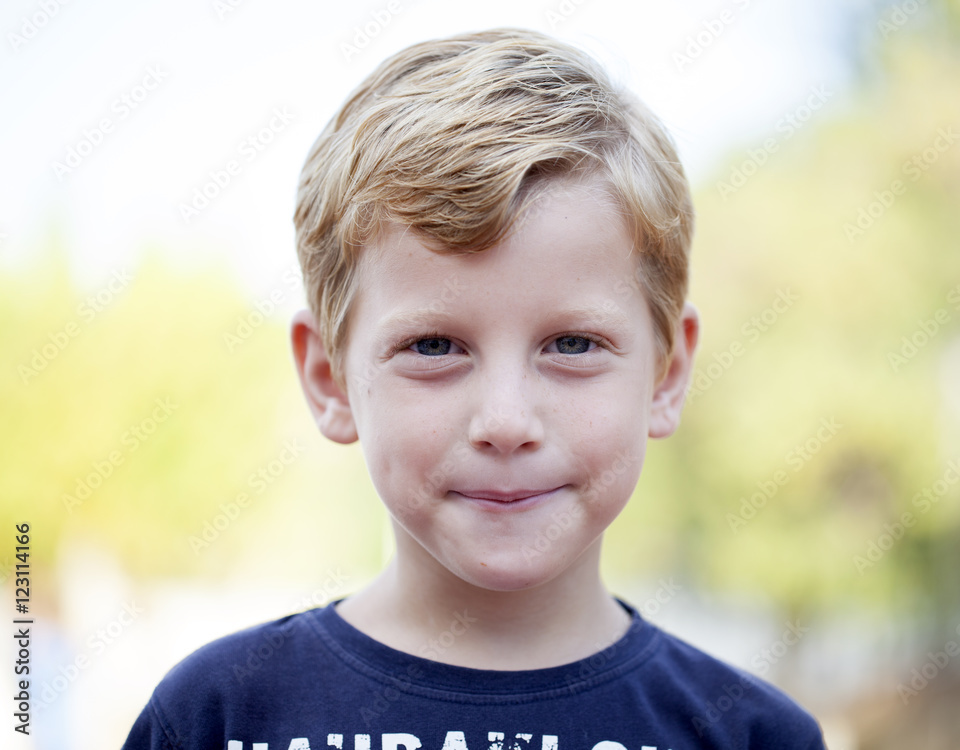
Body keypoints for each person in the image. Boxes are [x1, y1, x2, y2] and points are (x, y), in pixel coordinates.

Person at [122, 27, 826, 749]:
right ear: (330, 378)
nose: (506, 420)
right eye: (433, 346)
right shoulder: (218, 718)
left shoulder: (753, 736)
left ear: (666, 373)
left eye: (573, 345)